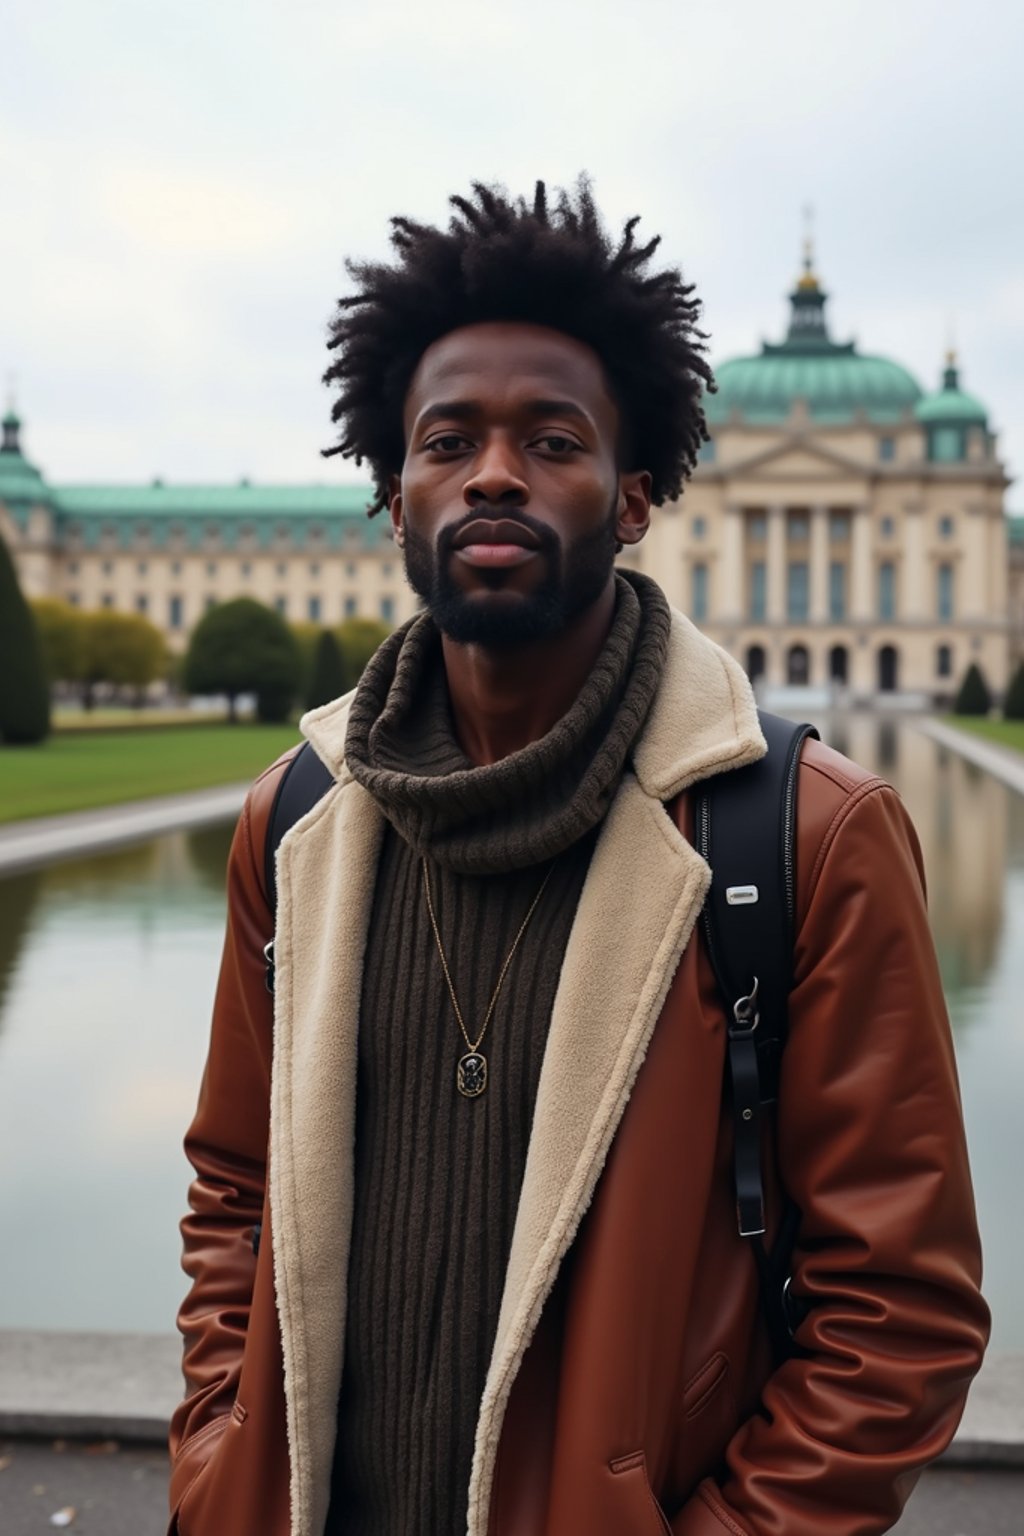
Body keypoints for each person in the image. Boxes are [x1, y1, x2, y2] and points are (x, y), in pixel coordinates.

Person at [169, 180, 988, 1536]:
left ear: (637, 499)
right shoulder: (294, 816)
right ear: (393, 495)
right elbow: (231, 1191)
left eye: (554, 440)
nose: (495, 471)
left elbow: (898, 1307)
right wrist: (223, 1456)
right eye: (449, 440)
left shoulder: (807, 834)